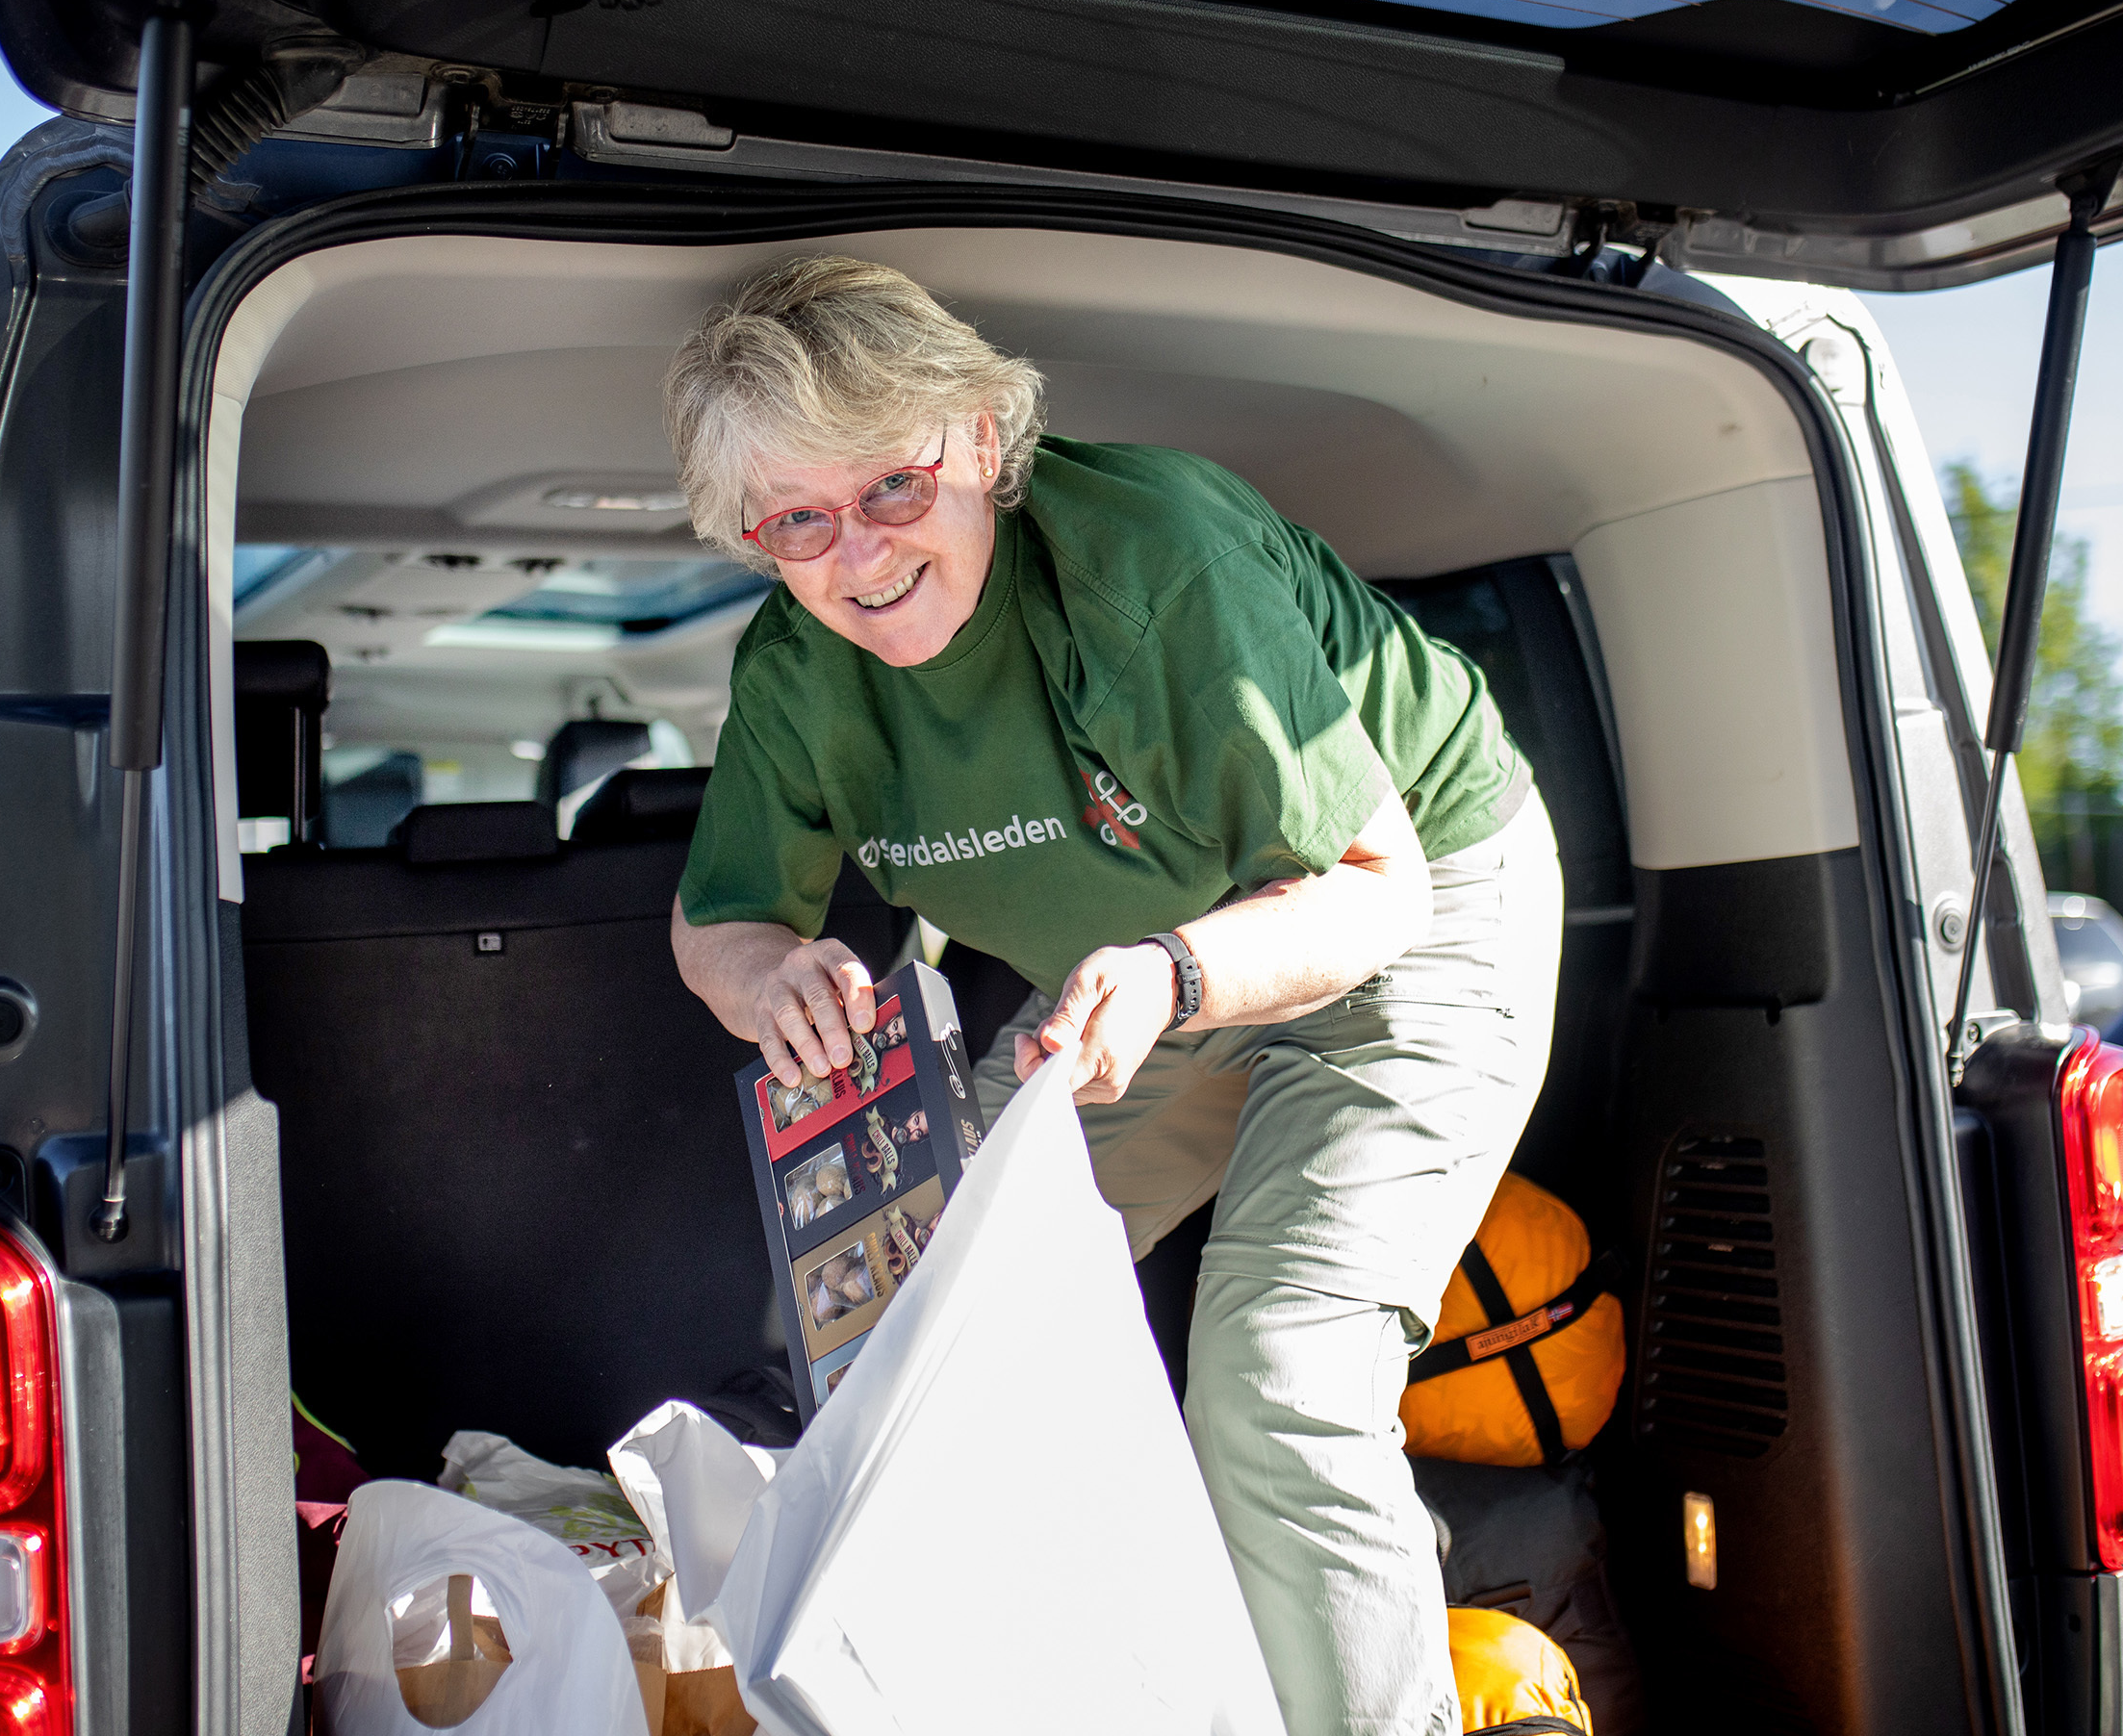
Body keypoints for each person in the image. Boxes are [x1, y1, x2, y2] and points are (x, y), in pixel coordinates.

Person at [667, 257, 1561, 1735]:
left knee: (1278, 1365)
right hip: (1143, 970)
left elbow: (1371, 886)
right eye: (799, 522)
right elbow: (722, 921)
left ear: (983, 444)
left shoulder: (1156, 556)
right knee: (923, 1327)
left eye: (892, 488)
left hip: (1411, 898)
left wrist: (1180, 971)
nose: (861, 555)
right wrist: (778, 976)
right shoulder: (798, 674)